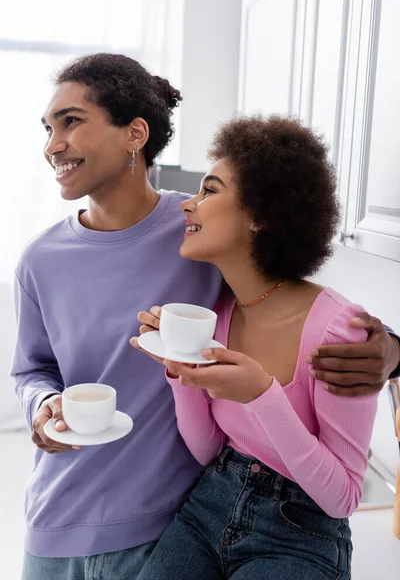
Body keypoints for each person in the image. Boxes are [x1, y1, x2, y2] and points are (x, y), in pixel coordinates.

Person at [11, 53, 399, 580]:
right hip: (57, 520)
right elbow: (32, 371)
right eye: (48, 127)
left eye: (71, 121)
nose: (52, 144)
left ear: (135, 134)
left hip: (167, 525)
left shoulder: (203, 232)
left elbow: (299, 300)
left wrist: (393, 349)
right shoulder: (40, 259)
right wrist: (42, 405)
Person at [132, 114, 397, 580]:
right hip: (210, 503)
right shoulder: (217, 314)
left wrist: (263, 394)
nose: (188, 206)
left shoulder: (340, 330)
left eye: (209, 191)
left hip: (302, 532)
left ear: (261, 217)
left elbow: (342, 497)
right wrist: (180, 370)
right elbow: (207, 450)